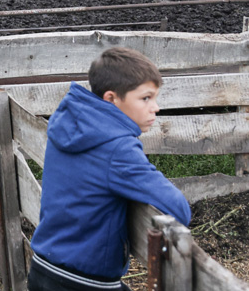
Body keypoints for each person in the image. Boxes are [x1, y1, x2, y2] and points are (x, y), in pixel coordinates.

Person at [28, 47, 191, 291]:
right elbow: (178, 208)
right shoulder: (118, 148)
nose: (155, 107)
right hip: (83, 282)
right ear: (111, 98)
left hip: (43, 268)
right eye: (145, 98)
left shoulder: (68, 123)